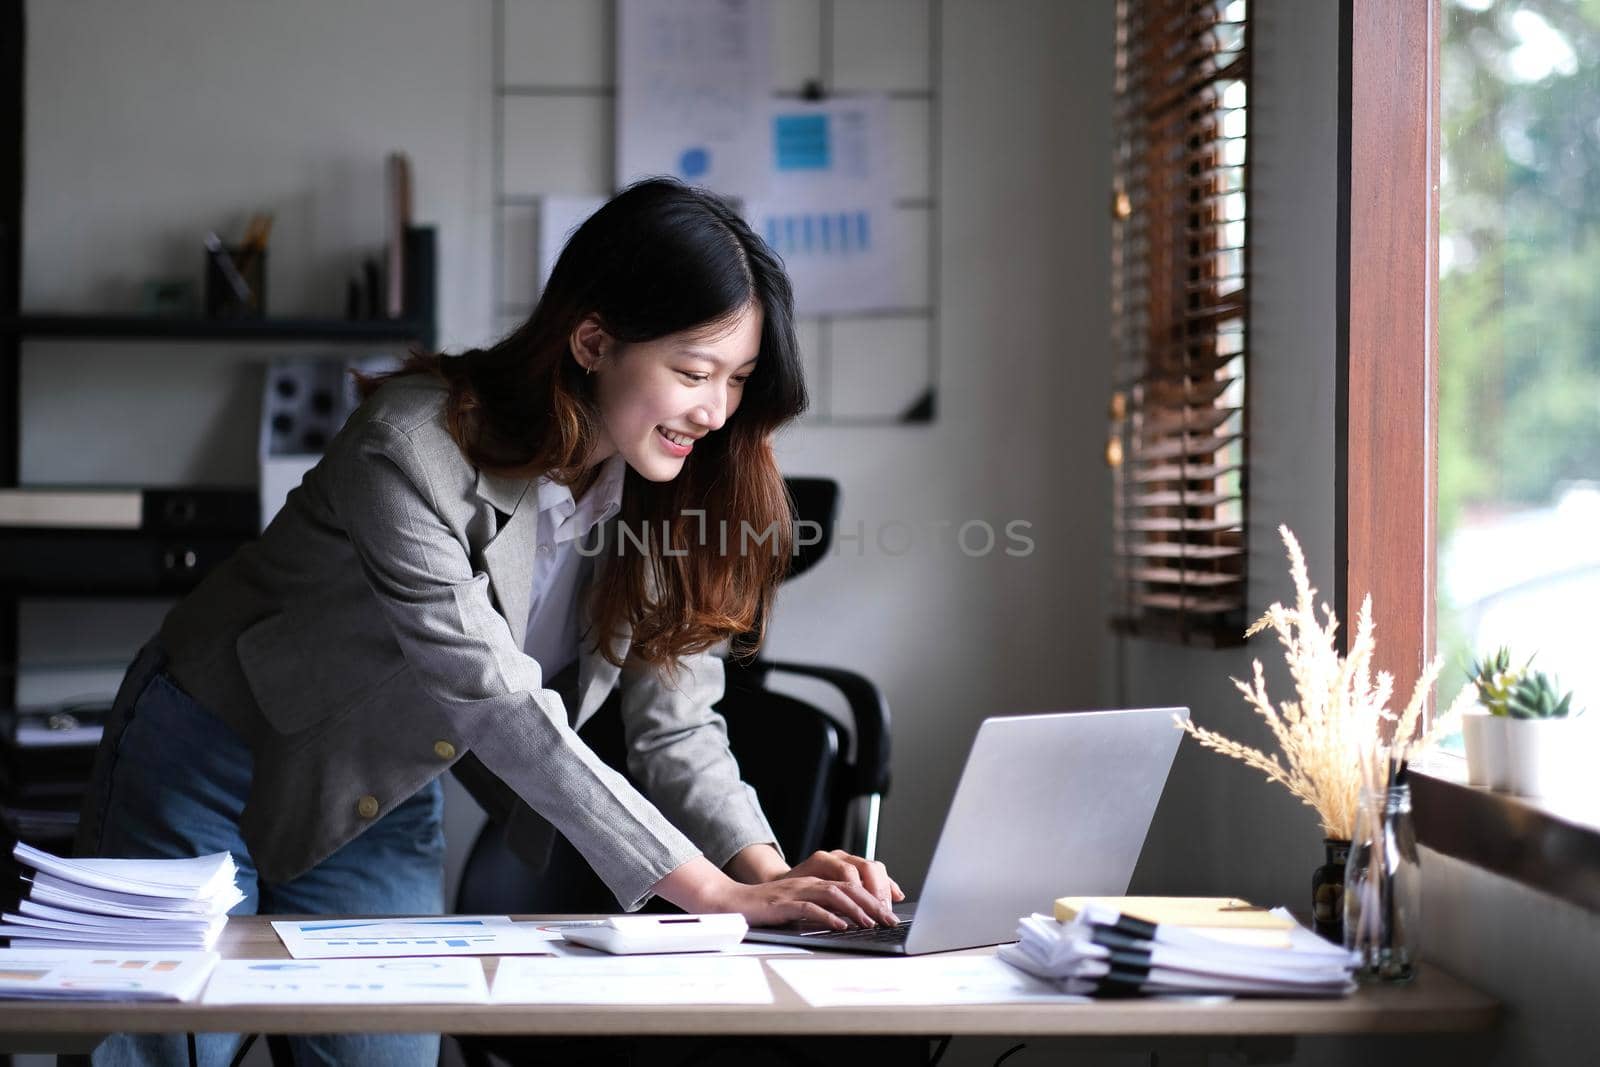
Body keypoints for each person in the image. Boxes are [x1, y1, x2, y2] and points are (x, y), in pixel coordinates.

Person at [75, 178, 902, 1067]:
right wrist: (705, 891)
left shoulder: (674, 492)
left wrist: (769, 877)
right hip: (211, 754)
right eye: (693, 373)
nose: (715, 411)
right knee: (157, 1048)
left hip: (372, 790)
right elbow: (492, 698)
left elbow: (679, 726)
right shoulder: (411, 445)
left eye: (737, 380)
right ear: (593, 341)